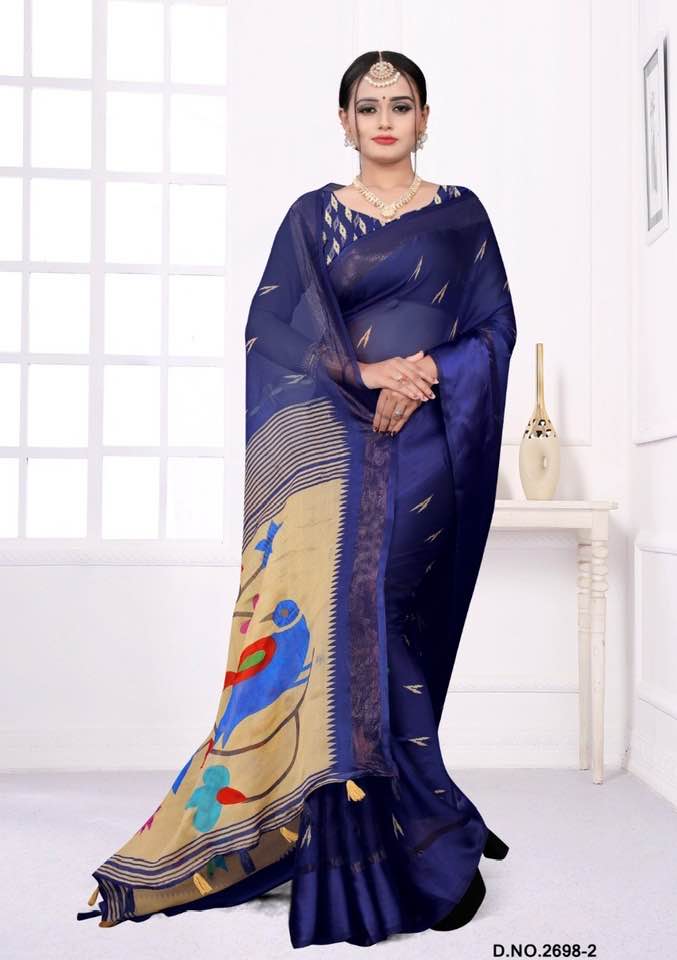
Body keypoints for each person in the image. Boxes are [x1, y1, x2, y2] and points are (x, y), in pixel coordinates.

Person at [77, 50, 516, 948]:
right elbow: (269, 327)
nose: (384, 120)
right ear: (344, 122)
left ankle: (426, 819)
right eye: (368, 106)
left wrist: (425, 371)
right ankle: (427, 823)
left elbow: (493, 326)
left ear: (424, 118)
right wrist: (363, 373)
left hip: (425, 445)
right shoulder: (312, 217)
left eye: (400, 105)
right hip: (336, 448)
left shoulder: (461, 214)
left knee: (385, 619)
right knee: (348, 628)